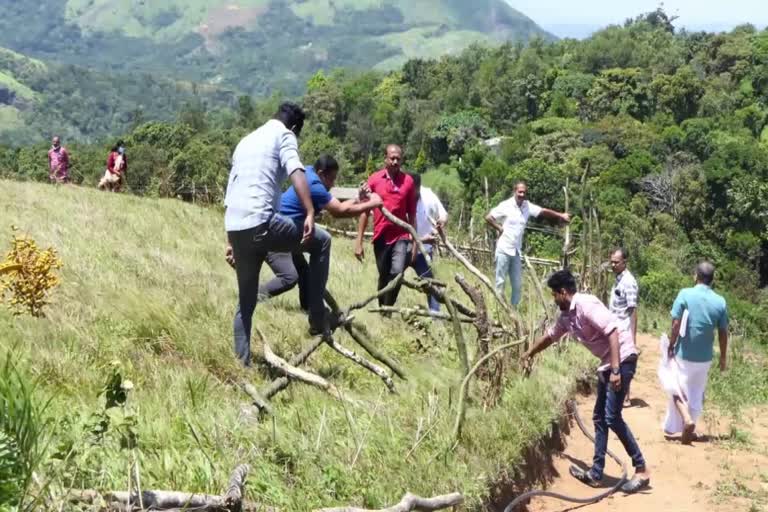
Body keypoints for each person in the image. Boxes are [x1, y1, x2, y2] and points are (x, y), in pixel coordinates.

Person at [521, 270, 650, 493]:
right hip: (607, 362)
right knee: (600, 417)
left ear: (563, 292)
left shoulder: (586, 305)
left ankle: (642, 469)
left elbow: (612, 332)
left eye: (554, 294)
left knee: (612, 416)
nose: (554, 299)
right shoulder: (567, 317)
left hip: (622, 358)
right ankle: (596, 473)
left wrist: (617, 370)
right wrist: (529, 353)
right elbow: (551, 336)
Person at [227, 155, 382, 325]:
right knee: (289, 277)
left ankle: (309, 309)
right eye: (331, 179)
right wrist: (372, 203)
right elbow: (339, 211)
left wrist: (359, 200)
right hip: (277, 234)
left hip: (289, 231)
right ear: (321, 173)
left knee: (304, 273)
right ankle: (254, 296)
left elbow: (338, 203)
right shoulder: (314, 185)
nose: (332, 184)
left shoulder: (308, 173)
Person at [224, 102, 324, 367]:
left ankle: (241, 366)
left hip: (236, 227)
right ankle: (316, 315)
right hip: (262, 222)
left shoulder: (245, 141)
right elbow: (296, 171)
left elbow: (231, 190)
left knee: (245, 304)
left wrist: (231, 242)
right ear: (294, 127)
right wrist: (310, 211)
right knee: (322, 241)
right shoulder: (285, 135)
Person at [664, 262, 728, 444]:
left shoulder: (685, 294)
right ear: (712, 280)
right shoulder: (720, 301)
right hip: (705, 358)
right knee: (696, 391)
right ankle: (688, 429)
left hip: (684, 354)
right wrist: (723, 357)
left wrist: (671, 343)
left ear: (696, 276)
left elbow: (675, 323)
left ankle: (686, 419)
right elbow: (723, 333)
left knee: (673, 385)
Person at [485, 182, 569, 306]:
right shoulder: (506, 205)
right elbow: (488, 217)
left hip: (516, 251)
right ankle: (498, 309)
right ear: (515, 191)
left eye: (524, 192)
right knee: (500, 282)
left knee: (517, 284)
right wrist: (499, 228)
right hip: (503, 249)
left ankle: (514, 311)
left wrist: (560, 215)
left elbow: (543, 211)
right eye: (519, 192)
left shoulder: (527, 206)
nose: (522, 194)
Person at [355, 145, 418, 307]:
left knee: (397, 273)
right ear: (385, 159)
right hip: (381, 236)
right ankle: (382, 306)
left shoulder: (408, 182)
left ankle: (389, 307)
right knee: (384, 274)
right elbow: (364, 211)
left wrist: (415, 243)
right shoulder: (375, 180)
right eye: (392, 158)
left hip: (401, 236)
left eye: (398, 158)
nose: (395, 161)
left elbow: (412, 214)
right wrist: (359, 242)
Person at [410, 172, 447, 312]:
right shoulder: (401, 196)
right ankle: (386, 315)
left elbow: (443, 214)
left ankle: (435, 316)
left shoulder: (429, 195)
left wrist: (442, 220)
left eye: (415, 190)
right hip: (403, 249)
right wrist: (423, 239)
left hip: (424, 251)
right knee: (393, 281)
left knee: (431, 285)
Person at [609, 248, 639, 407]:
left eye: (616, 262)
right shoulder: (618, 279)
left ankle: (625, 397)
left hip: (624, 328)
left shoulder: (629, 282)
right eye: (612, 261)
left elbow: (633, 310)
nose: (613, 265)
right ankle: (619, 394)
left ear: (624, 262)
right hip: (615, 327)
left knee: (624, 361)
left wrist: (633, 339)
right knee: (616, 361)